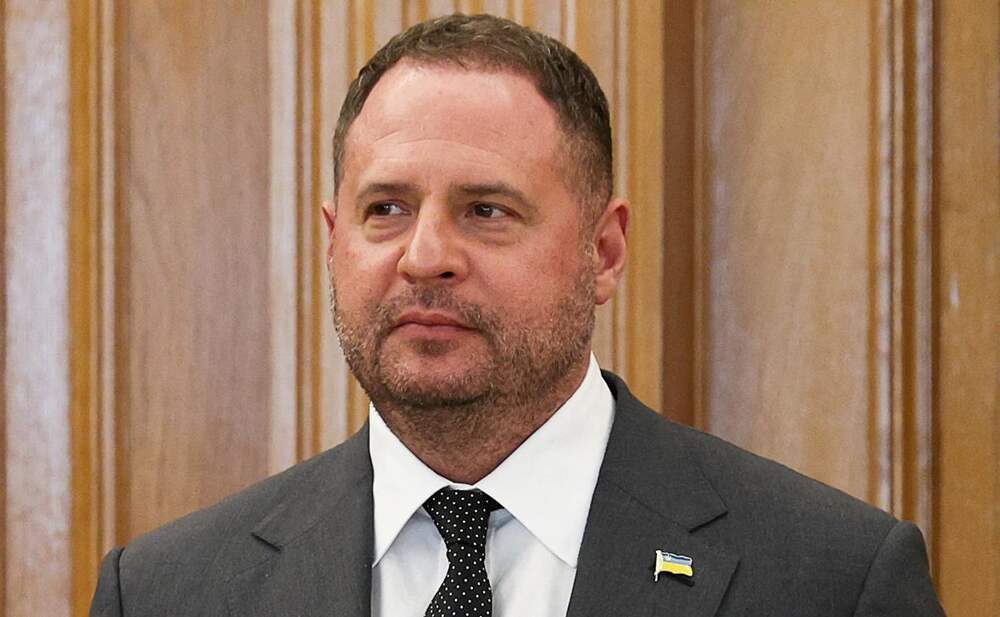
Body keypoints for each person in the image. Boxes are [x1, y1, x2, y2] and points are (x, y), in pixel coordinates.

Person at [91, 13, 945, 617]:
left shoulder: (833, 581)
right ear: (333, 240)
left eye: (486, 210)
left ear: (603, 252)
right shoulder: (167, 592)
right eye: (385, 209)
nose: (425, 255)